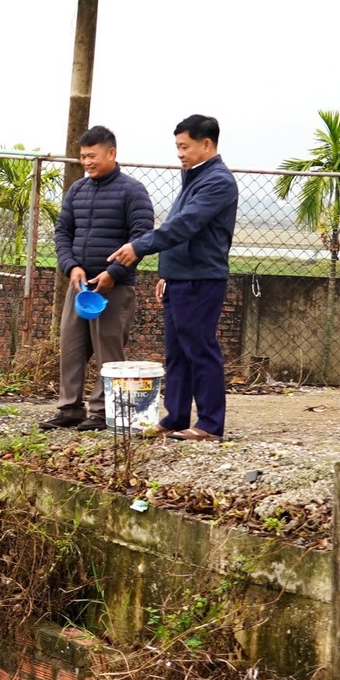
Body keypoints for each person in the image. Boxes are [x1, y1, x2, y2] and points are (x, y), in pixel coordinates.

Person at [109, 114, 238, 442]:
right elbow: (179, 230)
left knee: (200, 348)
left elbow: (184, 226)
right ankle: (177, 416)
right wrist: (167, 273)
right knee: (176, 352)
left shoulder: (217, 181)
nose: (179, 153)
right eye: (177, 147)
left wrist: (139, 247)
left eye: (185, 146)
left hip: (201, 279)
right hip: (181, 277)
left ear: (206, 144)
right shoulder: (194, 178)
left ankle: (210, 424)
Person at [49, 125, 153, 430]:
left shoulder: (133, 191)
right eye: (82, 156)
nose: (87, 162)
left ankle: (102, 411)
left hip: (114, 287)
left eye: (92, 155)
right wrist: (70, 267)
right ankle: (69, 408)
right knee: (71, 347)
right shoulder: (77, 191)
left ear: (111, 153)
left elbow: (142, 237)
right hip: (80, 286)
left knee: (109, 350)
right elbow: (63, 232)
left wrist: (114, 273)